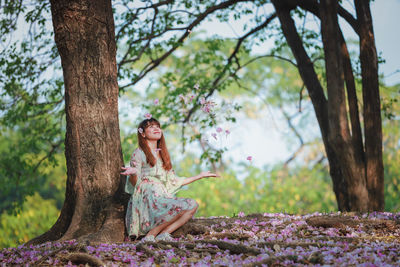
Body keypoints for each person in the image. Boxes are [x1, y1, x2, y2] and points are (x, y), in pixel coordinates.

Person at [121, 118, 220, 242]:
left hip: (162, 193)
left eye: (158, 126)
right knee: (182, 207)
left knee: (192, 205)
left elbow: (174, 181)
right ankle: (150, 235)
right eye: (151, 127)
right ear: (143, 133)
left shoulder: (163, 155)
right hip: (147, 195)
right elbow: (135, 184)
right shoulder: (139, 153)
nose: (156, 129)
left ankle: (163, 234)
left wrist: (199, 176)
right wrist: (133, 174)